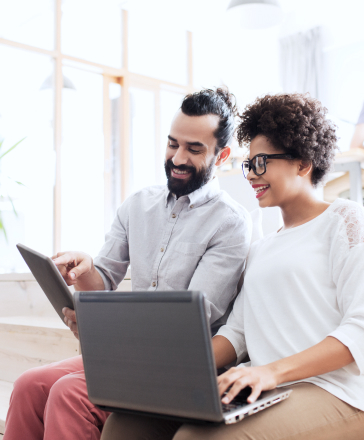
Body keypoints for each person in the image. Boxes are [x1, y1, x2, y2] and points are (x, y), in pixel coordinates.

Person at [100, 93, 364, 440]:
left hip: (334, 391)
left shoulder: (345, 222)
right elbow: (236, 333)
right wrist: (169, 371)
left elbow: (358, 329)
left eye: (262, 162)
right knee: (126, 426)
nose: (251, 175)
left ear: (302, 163)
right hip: (266, 385)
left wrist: (269, 373)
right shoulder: (263, 246)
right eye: (248, 163)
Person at [4, 89, 252, 440]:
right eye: (172, 144)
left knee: (69, 394)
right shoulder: (138, 204)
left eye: (194, 149)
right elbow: (103, 279)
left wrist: (103, 327)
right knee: (29, 384)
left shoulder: (232, 223)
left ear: (222, 155)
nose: (178, 157)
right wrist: (86, 267)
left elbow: (189, 318)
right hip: (129, 353)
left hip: (185, 364)